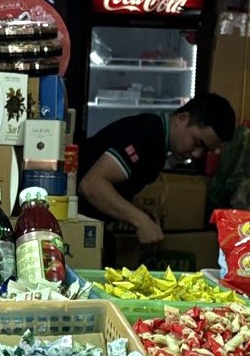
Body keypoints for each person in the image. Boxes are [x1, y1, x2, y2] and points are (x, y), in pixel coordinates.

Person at [76, 93, 236, 246]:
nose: (196, 154)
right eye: (197, 143)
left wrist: (138, 209)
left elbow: (112, 184)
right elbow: (91, 185)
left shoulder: (159, 148)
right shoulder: (147, 135)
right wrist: (140, 220)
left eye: (205, 150)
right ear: (182, 118)